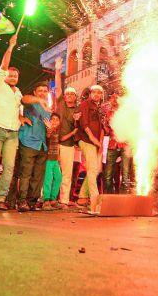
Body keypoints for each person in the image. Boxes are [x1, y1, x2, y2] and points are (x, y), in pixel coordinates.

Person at [0, 35, 23, 211]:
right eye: (11, 74)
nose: (13, 76)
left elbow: (20, 110)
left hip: (13, 133)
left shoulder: (19, 93)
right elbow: (4, 66)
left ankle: (1, 198)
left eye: (16, 75)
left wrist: (22, 118)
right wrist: (11, 47)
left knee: (8, 167)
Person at [17, 82, 52, 212]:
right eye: (40, 91)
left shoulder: (48, 109)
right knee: (26, 174)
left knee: (38, 176)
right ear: (35, 92)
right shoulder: (31, 102)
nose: (43, 93)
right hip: (28, 142)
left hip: (42, 145)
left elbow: (48, 130)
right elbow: (23, 99)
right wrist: (39, 100)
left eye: (45, 91)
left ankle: (31, 202)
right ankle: (22, 201)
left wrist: (50, 130)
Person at [53, 57, 80, 206]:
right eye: (67, 94)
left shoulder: (78, 110)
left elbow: (78, 129)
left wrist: (77, 120)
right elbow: (58, 87)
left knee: (67, 173)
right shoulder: (60, 103)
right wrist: (58, 69)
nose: (69, 96)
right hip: (54, 142)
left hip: (69, 145)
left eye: (72, 94)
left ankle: (63, 199)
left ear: (75, 97)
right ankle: (49, 198)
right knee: (51, 172)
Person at [76, 84, 105, 213]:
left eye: (99, 93)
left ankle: (82, 197)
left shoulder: (100, 108)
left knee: (95, 169)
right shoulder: (85, 104)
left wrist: (100, 143)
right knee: (93, 169)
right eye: (94, 92)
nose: (97, 95)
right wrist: (93, 138)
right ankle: (95, 199)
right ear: (90, 93)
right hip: (86, 140)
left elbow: (103, 127)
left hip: (96, 143)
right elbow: (84, 123)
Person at [102, 93, 131, 194]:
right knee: (108, 174)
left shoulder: (126, 113)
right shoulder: (108, 113)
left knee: (126, 173)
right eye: (112, 98)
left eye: (116, 98)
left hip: (125, 144)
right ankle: (108, 197)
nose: (114, 100)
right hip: (112, 144)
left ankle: (124, 198)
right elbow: (106, 128)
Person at [42, 113, 63, 210]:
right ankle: (46, 200)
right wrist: (49, 130)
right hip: (48, 159)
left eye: (57, 119)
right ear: (49, 121)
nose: (54, 121)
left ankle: (53, 199)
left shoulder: (58, 132)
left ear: (59, 122)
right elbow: (47, 136)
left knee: (58, 177)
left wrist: (58, 157)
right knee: (48, 179)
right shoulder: (48, 130)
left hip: (55, 159)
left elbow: (57, 145)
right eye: (52, 119)